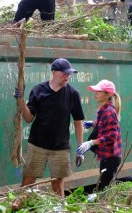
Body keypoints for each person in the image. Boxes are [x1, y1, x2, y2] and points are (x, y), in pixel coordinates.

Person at [13, 58, 85, 197]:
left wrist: (80, 147)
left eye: (69, 74)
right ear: (54, 72)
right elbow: (28, 118)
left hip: (60, 147)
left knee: (57, 184)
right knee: (28, 181)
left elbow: (78, 121)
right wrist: (21, 101)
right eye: (64, 73)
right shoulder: (38, 90)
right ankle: (21, 206)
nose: (67, 76)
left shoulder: (73, 94)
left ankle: (58, 209)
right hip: (37, 145)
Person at [77, 79, 122, 191]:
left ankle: (107, 207)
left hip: (110, 157)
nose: (95, 93)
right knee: (105, 186)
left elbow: (112, 136)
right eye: (95, 91)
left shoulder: (109, 111)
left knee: (105, 189)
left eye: (99, 91)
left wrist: (91, 142)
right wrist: (92, 124)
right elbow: (104, 126)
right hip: (107, 156)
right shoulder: (104, 109)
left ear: (108, 95)